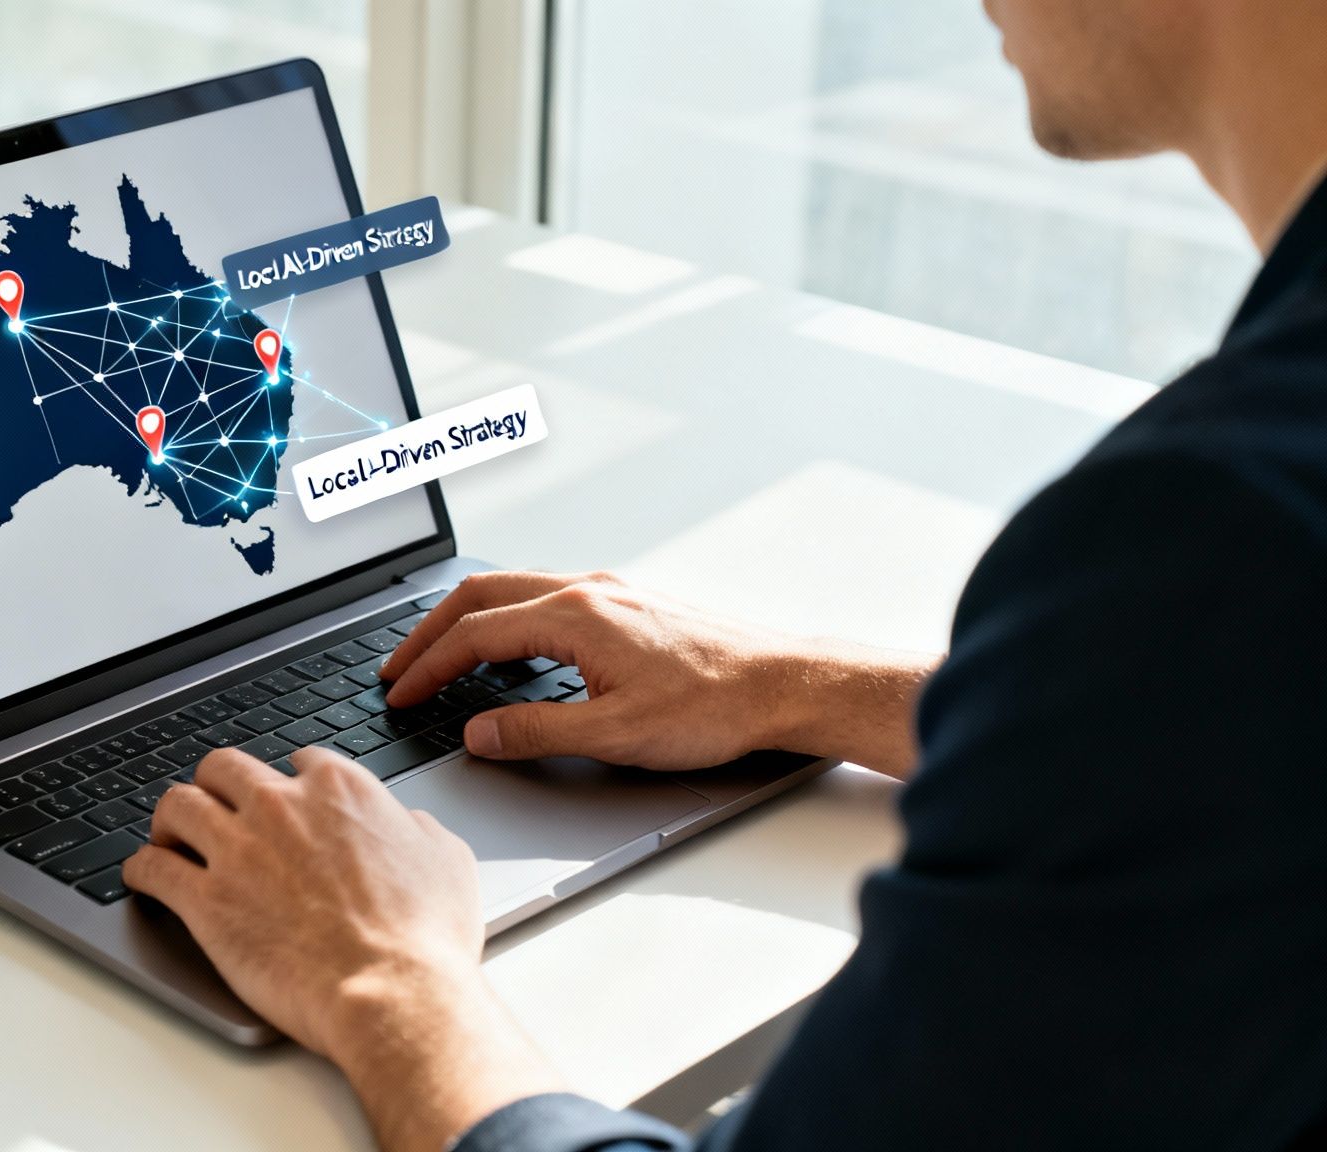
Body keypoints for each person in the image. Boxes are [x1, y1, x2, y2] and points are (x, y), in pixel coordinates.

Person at [123, 1, 1327, 1147]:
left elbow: (1210, 640)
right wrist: (791, 686)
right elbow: (1231, 729)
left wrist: (382, 975)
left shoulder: (1209, 529)